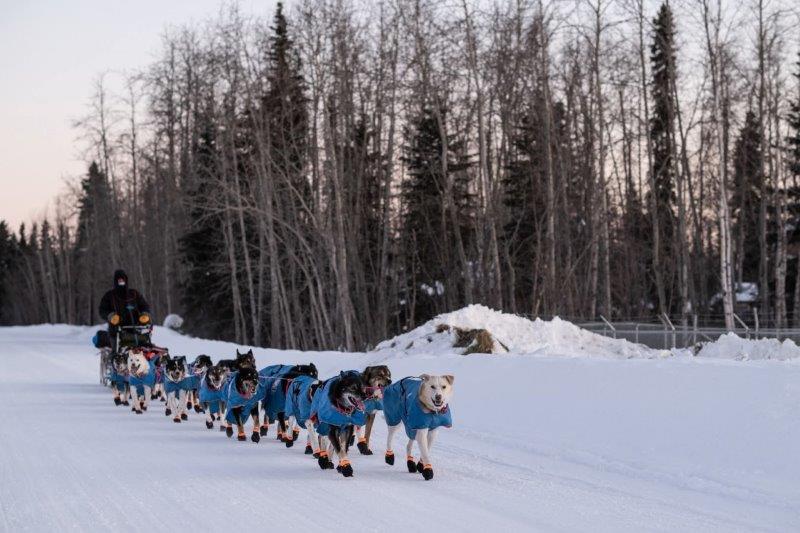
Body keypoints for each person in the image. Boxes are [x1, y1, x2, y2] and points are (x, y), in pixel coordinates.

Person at [99, 269, 152, 352]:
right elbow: (102, 310)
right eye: (119, 280)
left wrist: (145, 314)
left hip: (136, 329)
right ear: (115, 281)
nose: (121, 282)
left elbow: (144, 306)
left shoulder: (134, 294)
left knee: (144, 349)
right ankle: (112, 362)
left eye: (122, 279)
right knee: (116, 353)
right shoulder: (110, 296)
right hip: (116, 330)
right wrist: (110, 316)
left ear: (126, 280)